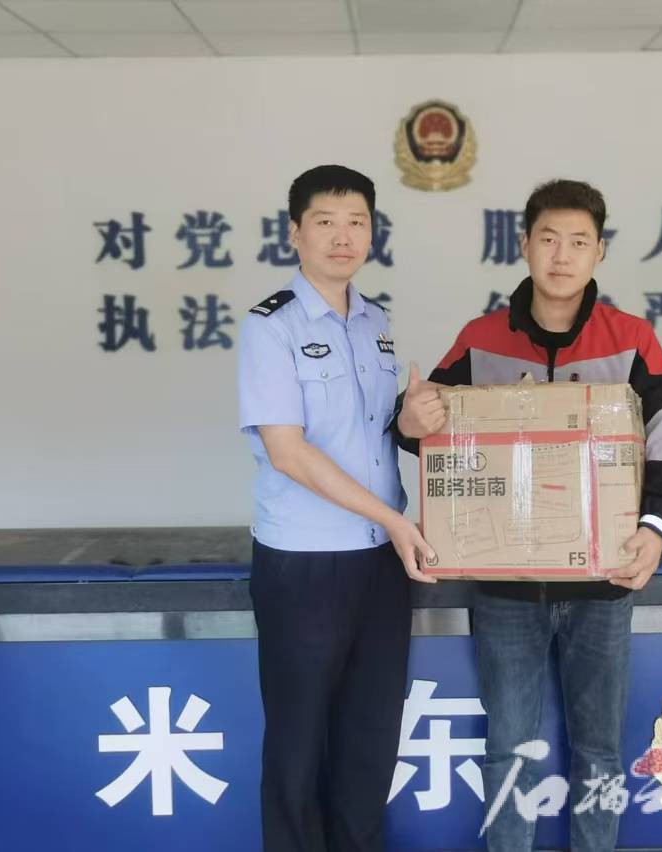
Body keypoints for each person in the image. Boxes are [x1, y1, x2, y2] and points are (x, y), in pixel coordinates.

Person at [393, 179, 662, 851]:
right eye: (548, 239)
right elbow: (427, 431)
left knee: (600, 750)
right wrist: (409, 421)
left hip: (605, 583)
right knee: (508, 749)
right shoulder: (481, 339)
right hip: (506, 590)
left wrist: (656, 528)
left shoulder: (632, 339)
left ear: (599, 251)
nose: (562, 255)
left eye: (579, 241)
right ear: (523, 244)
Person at [237, 164, 435, 852]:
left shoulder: (376, 322)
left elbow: (374, 435)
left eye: (357, 223)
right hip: (305, 562)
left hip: (380, 561)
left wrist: (413, 420)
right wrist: (393, 519)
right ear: (295, 233)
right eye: (325, 222)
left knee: (369, 740)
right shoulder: (271, 327)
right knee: (298, 743)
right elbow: (287, 451)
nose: (342, 237)